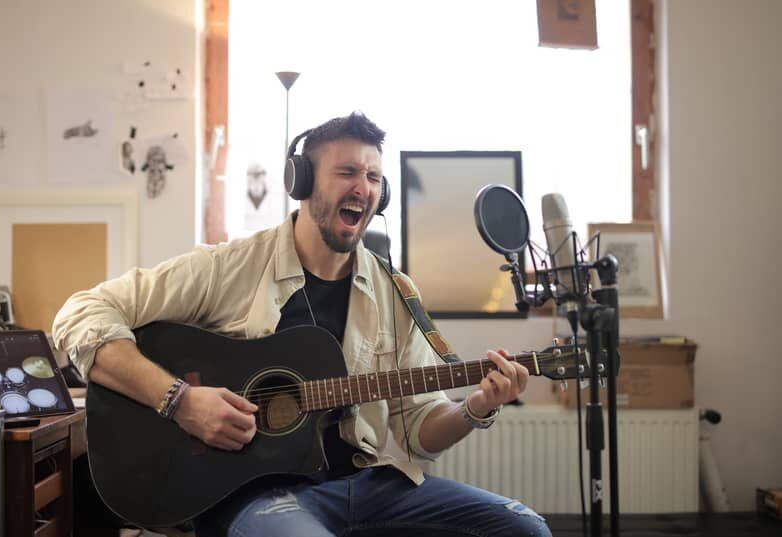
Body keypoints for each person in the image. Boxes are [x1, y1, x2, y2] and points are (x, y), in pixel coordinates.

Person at [52, 112, 552, 537]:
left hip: (370, 480)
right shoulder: (232, 267)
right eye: (348, 171)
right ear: (303, 183)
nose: (364, 187)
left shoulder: (396, 293)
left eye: (375, 177)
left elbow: (420, 430)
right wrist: (179, 399)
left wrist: (477, 408)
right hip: (259, 493)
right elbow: (80, 314)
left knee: (525, 527)